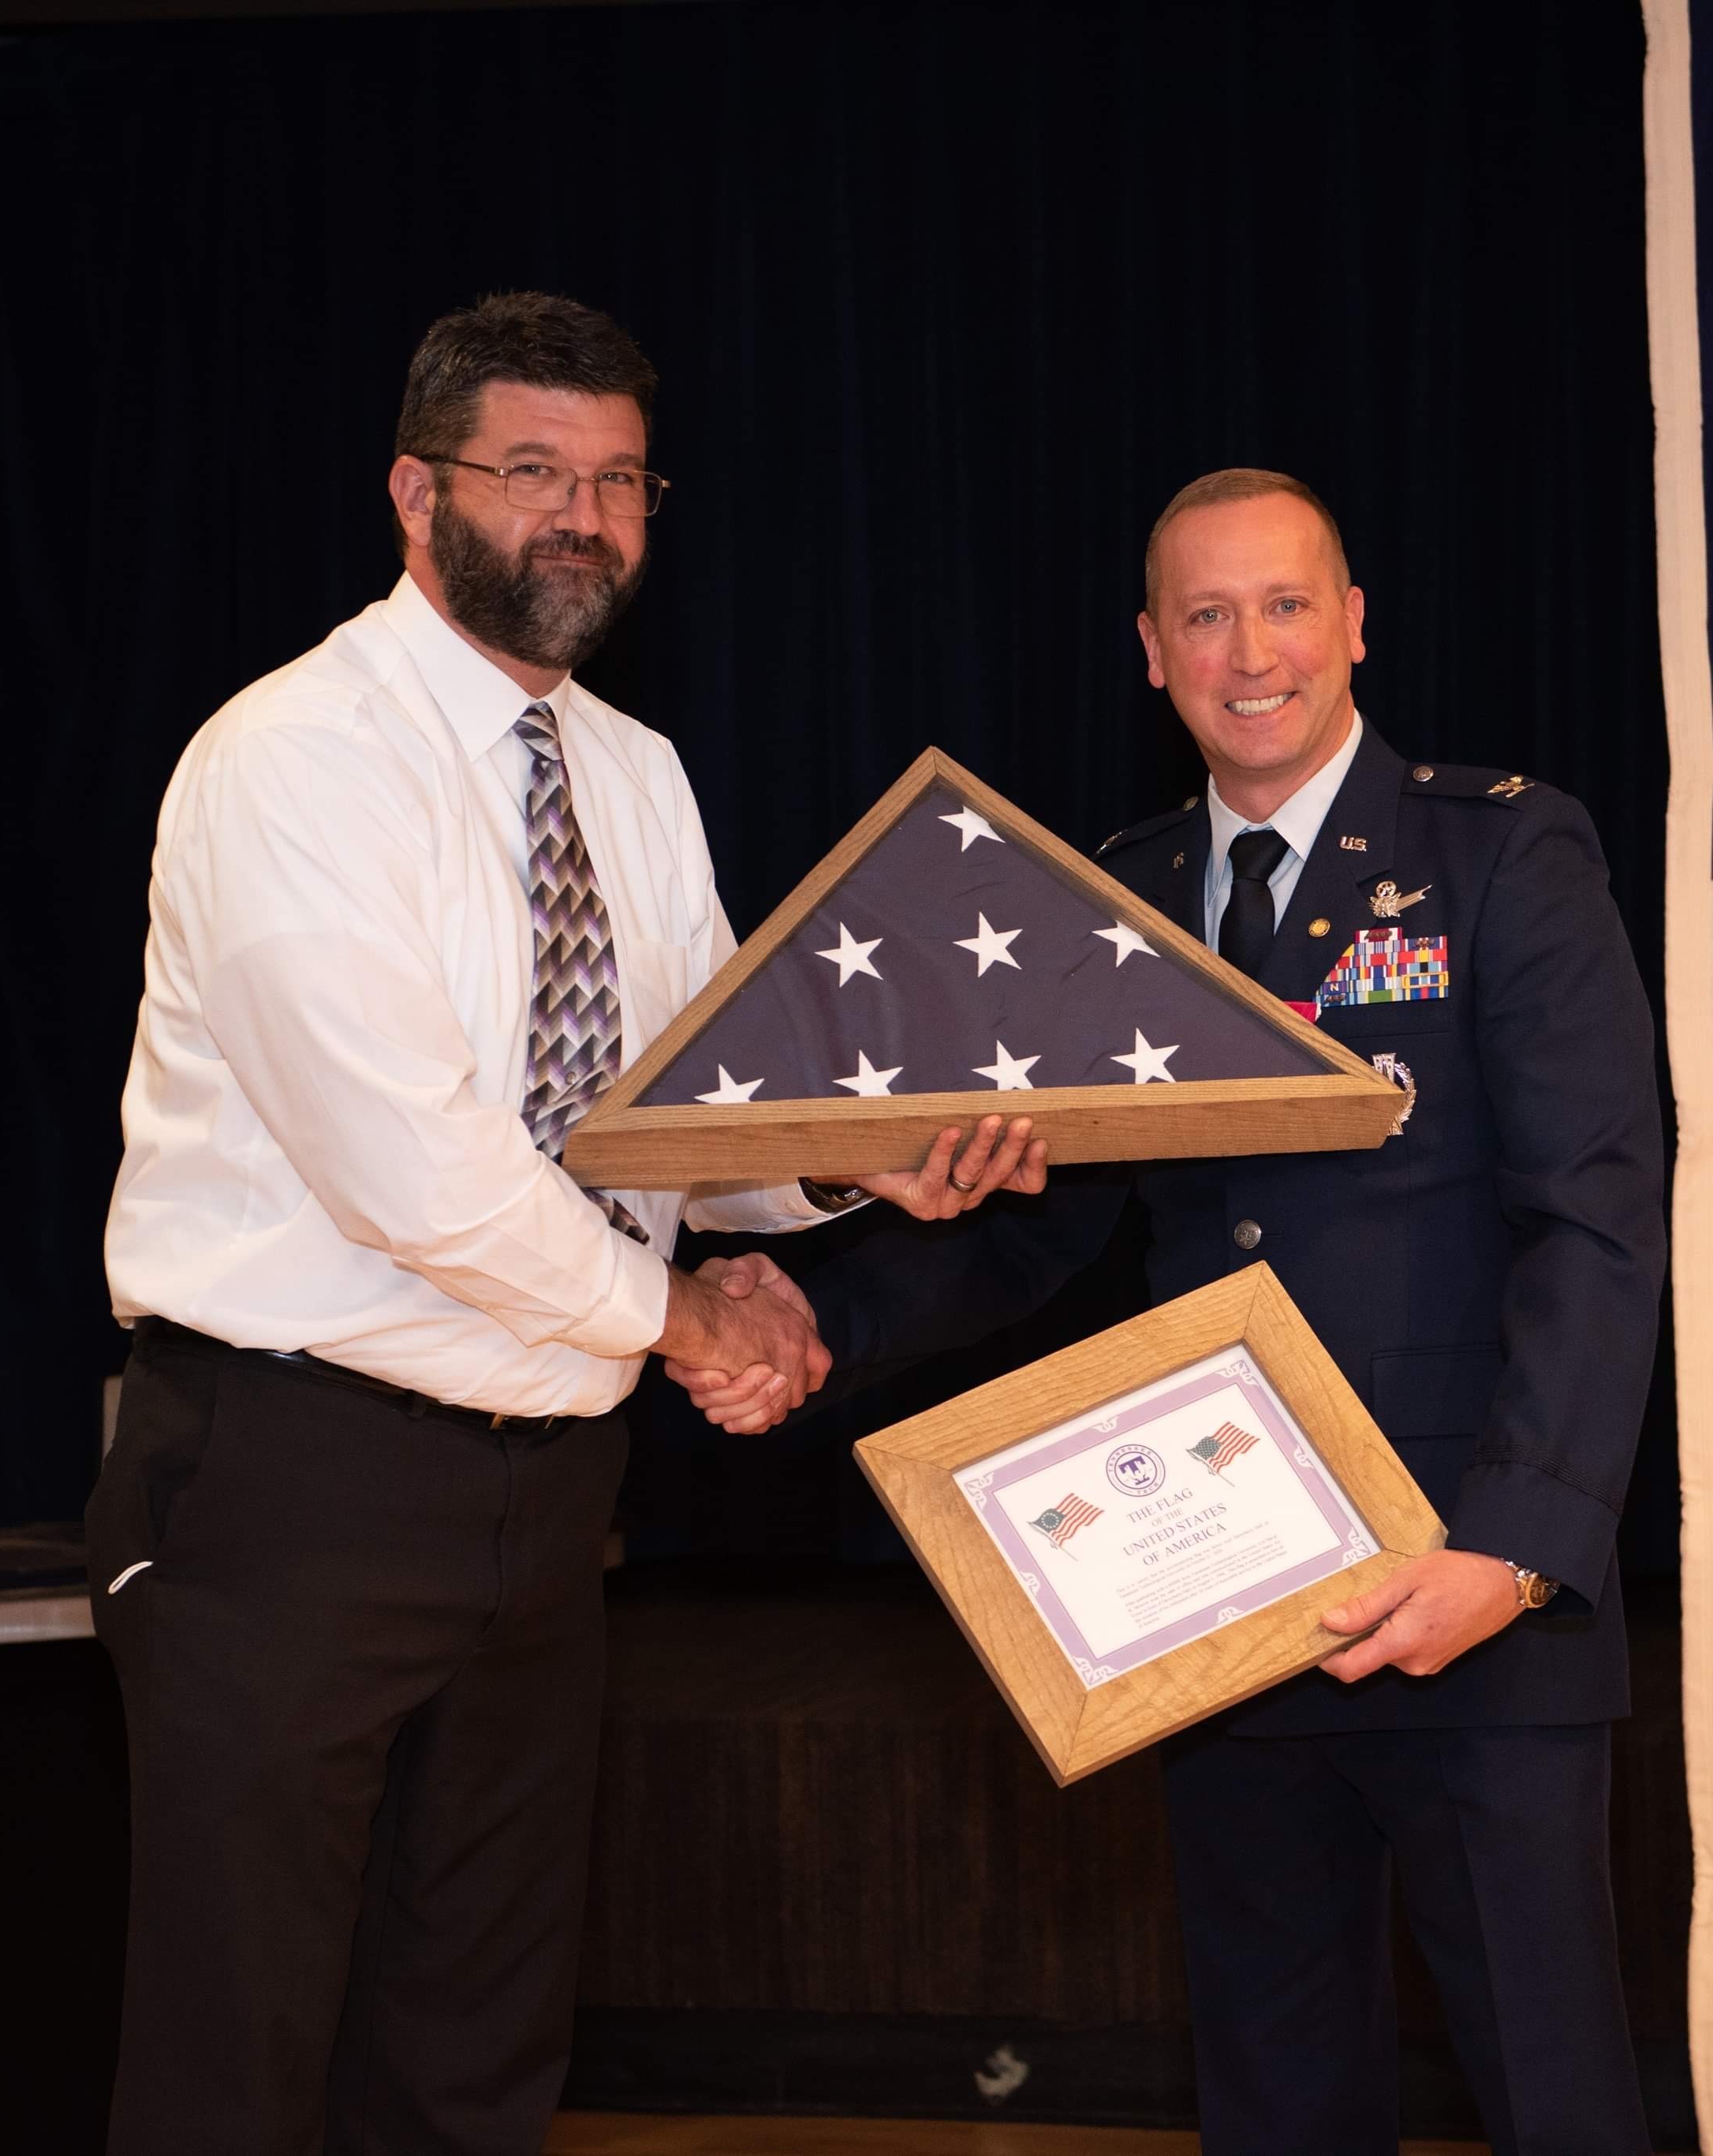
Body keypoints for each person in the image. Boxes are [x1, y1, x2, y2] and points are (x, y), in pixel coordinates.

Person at [91, 291, 1043, 2155]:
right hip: (294, 1481)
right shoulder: (293, 760)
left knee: (473, 2055)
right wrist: (690, 1320)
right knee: (240, 2062)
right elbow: (420, 1173)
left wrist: (855, 1168)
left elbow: (670, 1129)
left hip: (545, 1495)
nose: (580, 520)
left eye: (617, 480)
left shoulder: (630, 770)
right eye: (531, 472)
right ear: (413, 491)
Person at [677, 469, 1666, 2154]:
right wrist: (818, 1328)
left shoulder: (1502, 848)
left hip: (1468, 1594)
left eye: (1284, 603)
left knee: (1554, 2093)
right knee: (1274, 2095)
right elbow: (1030, 1229)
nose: (1248, 648)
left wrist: (1510, 1549)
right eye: (1202, 615)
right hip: (1225, 1595)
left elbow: (1592, 1213)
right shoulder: (1115, 898)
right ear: (1150, 652)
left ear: (1355, 622)